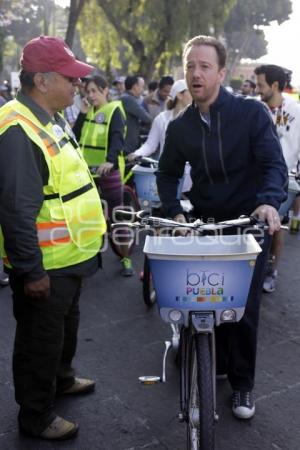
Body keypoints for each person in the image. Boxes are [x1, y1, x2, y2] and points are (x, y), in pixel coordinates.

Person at [156, 35, 287, 420]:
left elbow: (273, 166)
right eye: (189, 67)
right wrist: (173, 211)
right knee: (204, 301)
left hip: (249, 223)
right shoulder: (180, 128)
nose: (195, 74)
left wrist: (268, 200)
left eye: (204, 66)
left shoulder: (250, 114)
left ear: (222, 72)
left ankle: (242, 384)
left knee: (243, 309)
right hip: (204, 223)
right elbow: (166, 174)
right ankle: (212, 361)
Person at [0, 36, 107, 440]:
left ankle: (61, 379)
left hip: (69, 258)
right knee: (38, 342)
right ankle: (36, 416)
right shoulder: (17, 130)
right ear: (42, 81)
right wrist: (30, 271)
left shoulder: (50, 116)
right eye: (70, 78)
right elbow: (15, 209)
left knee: (63, 330)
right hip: (46, 265)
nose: (78, 85)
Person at [73, 75, 134, 276]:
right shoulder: (87, 110)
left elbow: (117, 137)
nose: (90, 96)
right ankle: (87, 258)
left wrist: (110, 160)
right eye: (87, 92)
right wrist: (82, 114)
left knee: (118, 217)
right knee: (86, 217)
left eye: (94, 91)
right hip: (87, 173)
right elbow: (75, 135)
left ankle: (126, 258)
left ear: (105, 90)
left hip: (109, 171)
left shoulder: (115, 110)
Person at [254, 64, 300, 293]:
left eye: (261, 85)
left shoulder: (296, 110)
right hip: (255, 176)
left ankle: (272, 270)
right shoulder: (255, 108)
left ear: (274, 85)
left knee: (275, 227)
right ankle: (252, 266)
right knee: (252, 223)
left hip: (285, 179)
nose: (257, 89)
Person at [127, 79, 192, 161]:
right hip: (167, 170)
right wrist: (137, 153)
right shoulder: (162, 119)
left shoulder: (200, 119)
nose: (196, 94)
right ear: (179, 95)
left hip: (192, 172)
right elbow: (150, 145)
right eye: (191, 91)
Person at [120, 75, 152, 154]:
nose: (143, 89)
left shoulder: (126, 97)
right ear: (135, 86)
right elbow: (147, 118)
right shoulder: (128, 99)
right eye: (142, 86)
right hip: (127, 145)